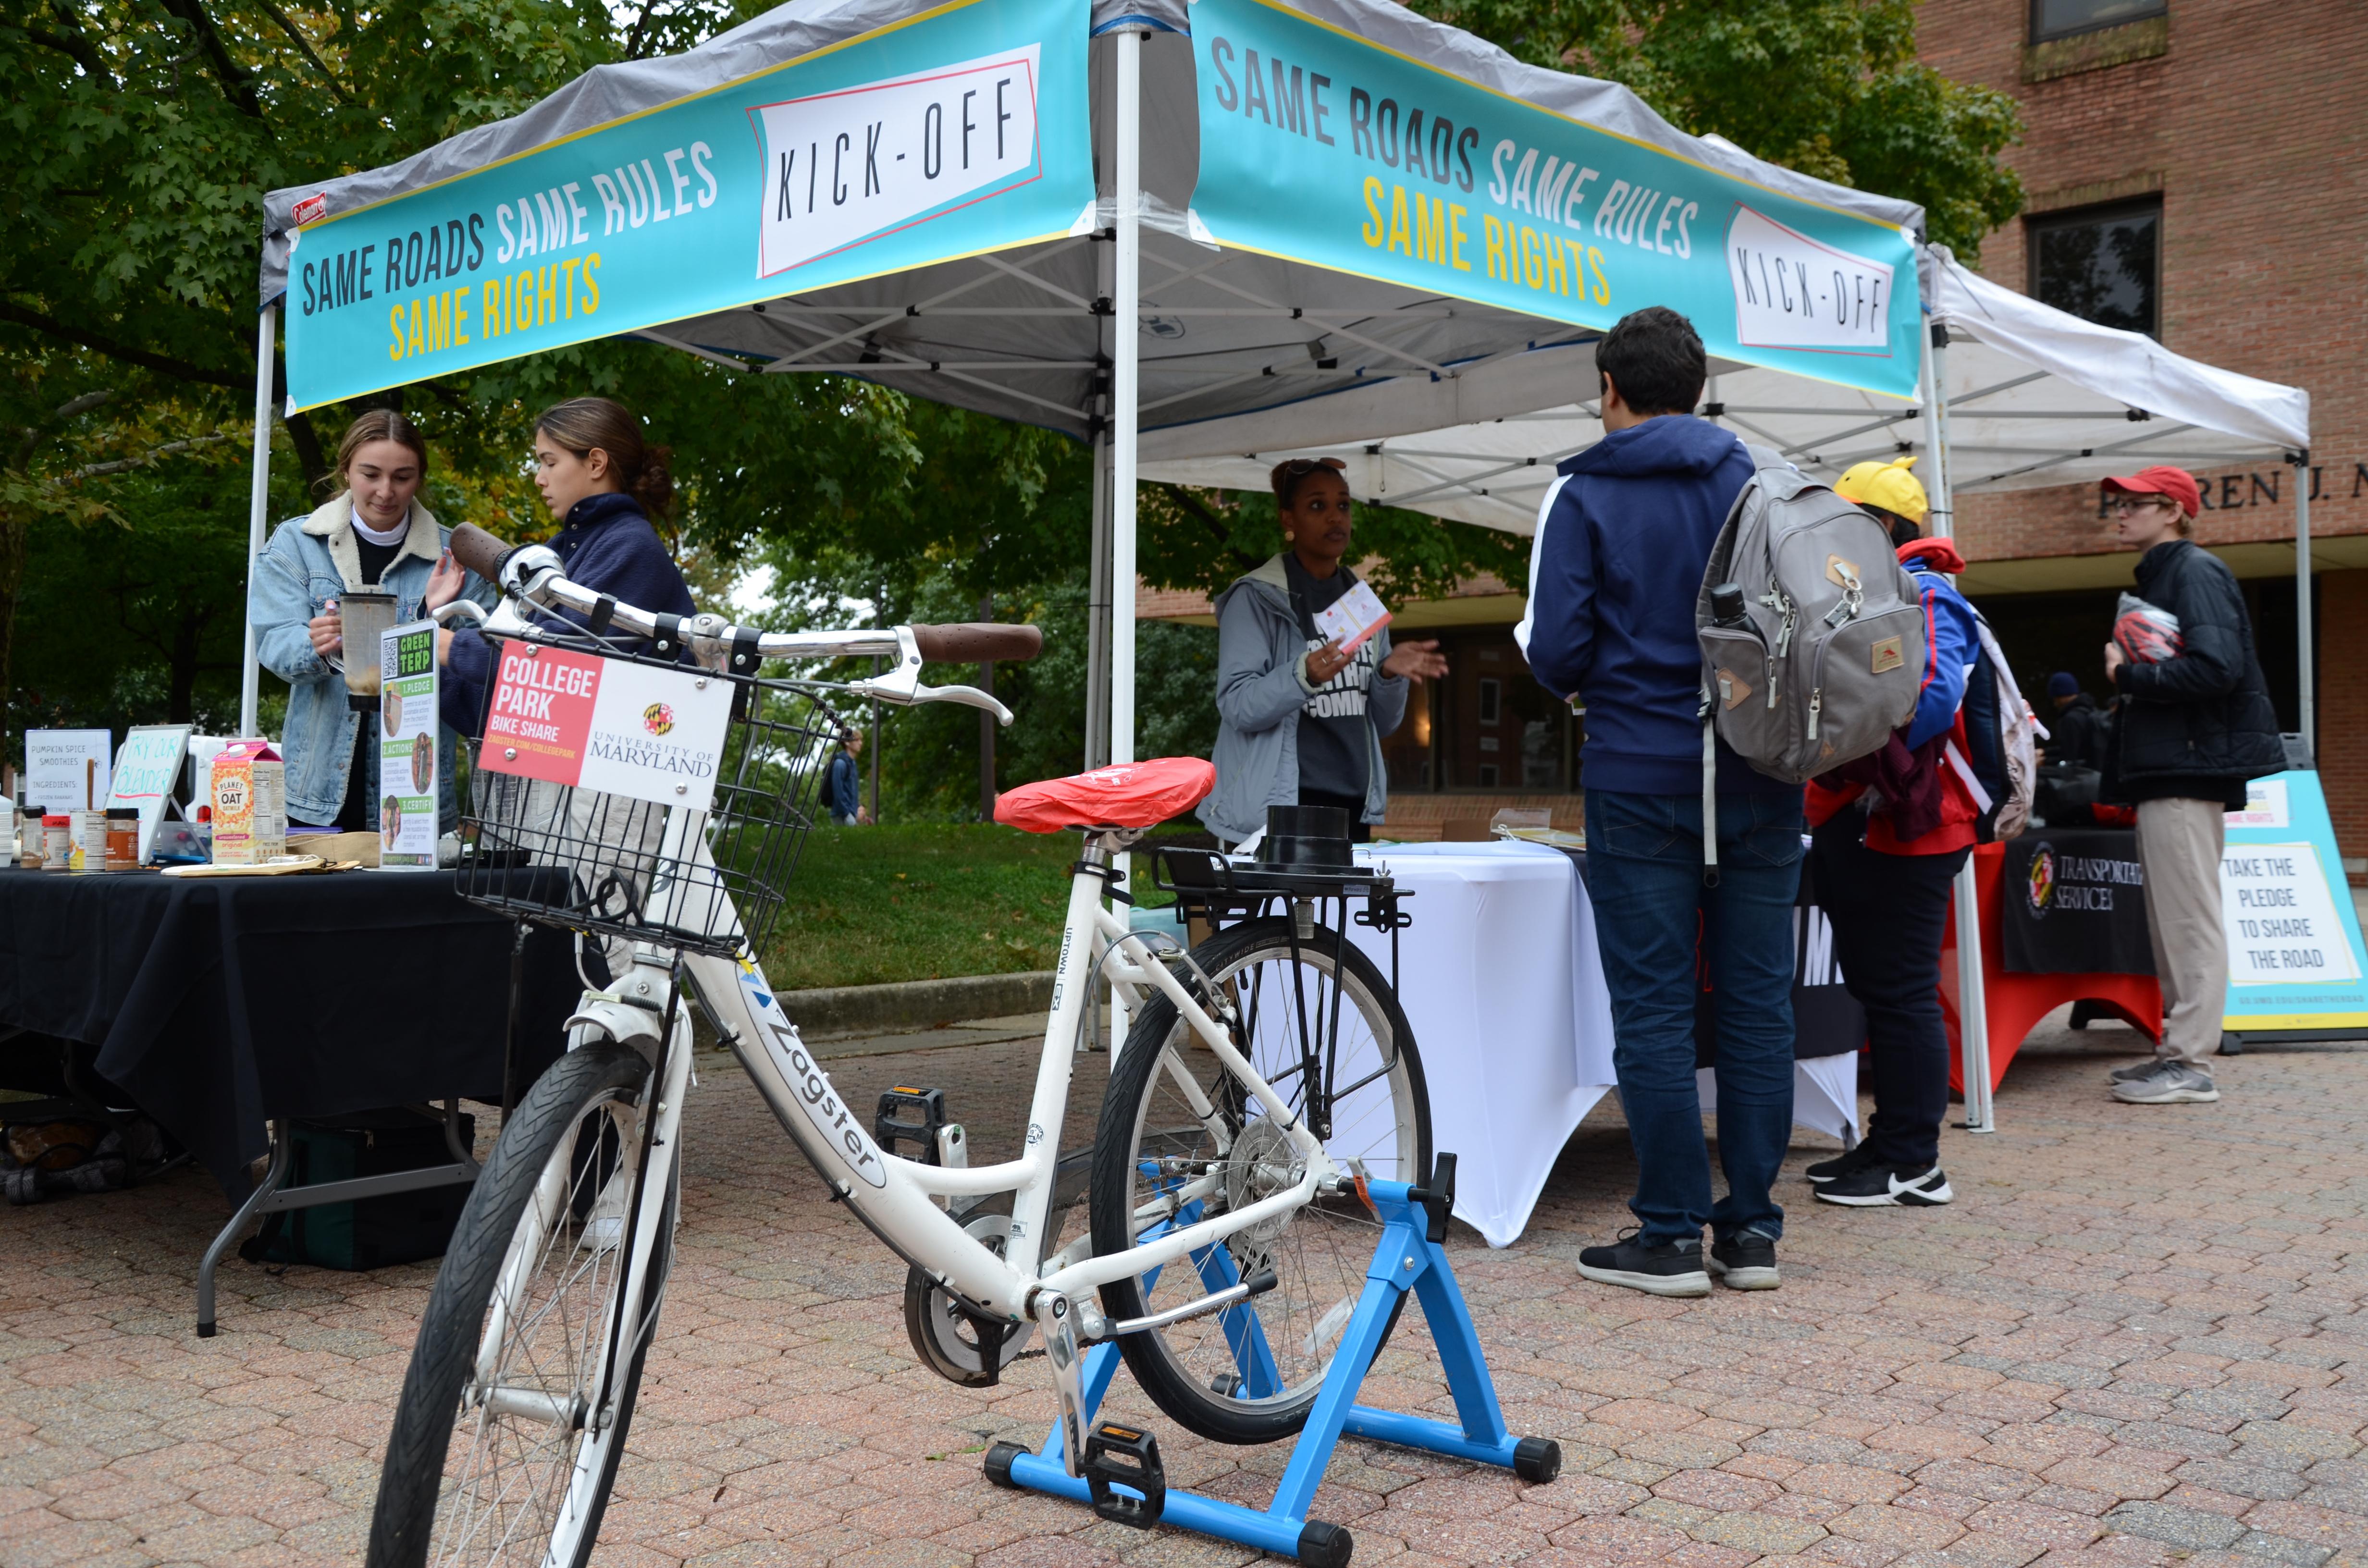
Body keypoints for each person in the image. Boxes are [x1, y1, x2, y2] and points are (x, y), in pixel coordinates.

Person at [1517, 306, 1797, 1297]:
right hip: (1762, 769)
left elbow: (1553, 653)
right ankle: (1753, 1233)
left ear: (1609, 391)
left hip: (1639, 774)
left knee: (1653, 1006)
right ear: (1699, 386)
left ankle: (1672, 1234)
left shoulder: (1582, 495)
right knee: (1760, 1005)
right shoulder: (1763, 479)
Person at [1802, 459, 1979, 1208]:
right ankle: (1895, 1139)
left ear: (1878, 529)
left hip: (1908, 827)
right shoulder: (1882, 597)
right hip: (1874, 823)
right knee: (1883, 989)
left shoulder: (1927, 595)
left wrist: (1833, 740)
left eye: (1842, 522)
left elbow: (1928, 701)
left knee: (1902, 992)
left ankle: (1915, 1162)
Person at [2097, 466, 2284, 1106]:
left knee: (2190, 920)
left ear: (2173, 509)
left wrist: (2128, 679)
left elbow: (2217, 669)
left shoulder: (2193, 571)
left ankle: (2192, 1064)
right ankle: (2177, 1053)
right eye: (2116, 505)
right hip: (2173, 766)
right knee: (2175, 920)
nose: (2119, 514)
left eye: (2132, 504)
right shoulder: (2171, 573)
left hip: (2187, 767)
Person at [249, 410, 494, 835]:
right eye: (371, 474)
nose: (386, 491)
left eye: (403, 477)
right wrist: (317, 647)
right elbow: (273, 644)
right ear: (345, 470)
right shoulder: (296, 543)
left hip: (416, 794)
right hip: (314, 796)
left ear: (420, 477)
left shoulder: (456, 559)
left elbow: (483, 667)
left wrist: (430, 626)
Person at [1198, 457, 1446, 845]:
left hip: (1351, 805)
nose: (1335, 517)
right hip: (1280, 805)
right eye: (1318, 506)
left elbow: (1382, 726)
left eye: (1343, 505)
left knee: (1340, 910)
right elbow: (1237, 706)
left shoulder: (1362, 603)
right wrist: (1304, 676)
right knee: (1286, 911)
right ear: (1288, 520)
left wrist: (1388, 675)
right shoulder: (1256, 598)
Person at [439, 398, 696, 732]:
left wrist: (450, 646)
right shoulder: (564, 550)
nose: (539, 479)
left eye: (549, 462)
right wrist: (422, 656)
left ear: (595, 464)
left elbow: (557, 666)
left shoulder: (630, 547)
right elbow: (493, 709)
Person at [2047, 672, 2108, 768]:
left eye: (2055, 698)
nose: (2055, 704)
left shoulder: (2071, 719)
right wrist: (2046, 752)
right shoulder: (2091, 711)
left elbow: (2069, 756)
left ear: (2061, 695)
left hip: (2081, 776)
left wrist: (2045, 761)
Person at [826, 729, 872, 826]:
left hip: (851, 813)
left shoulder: (852, 764)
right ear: (847, 742)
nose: (861, 743)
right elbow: (838, 792)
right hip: (842, 815)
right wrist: (846, 813)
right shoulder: (840, 764)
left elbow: (851, 791)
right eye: (857, 740)